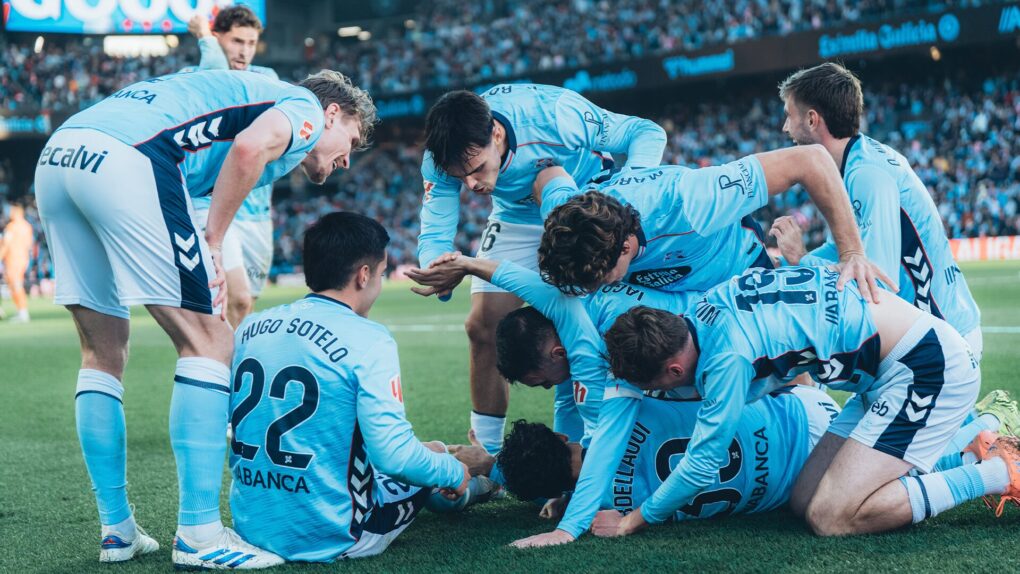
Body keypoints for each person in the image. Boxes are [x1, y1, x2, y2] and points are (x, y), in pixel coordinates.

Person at [34, 68, 374, 567]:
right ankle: (199, 535)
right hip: (132, 158)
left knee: (102, 351)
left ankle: (117, 531)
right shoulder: (301, 104)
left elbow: (198, 179)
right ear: (332, 113)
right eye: (353, 139)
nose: (348, 156)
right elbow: (248, 150)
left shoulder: (246, 97)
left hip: (61, 153)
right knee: (211, 344)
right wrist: (213, 243)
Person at [595, 266, 1015, 538]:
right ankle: (970, 444)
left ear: (672, 371)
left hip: (925, 369)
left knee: (831, 516)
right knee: (804, 498)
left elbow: (704, 462)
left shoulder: (725, 360)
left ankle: (1000, 472)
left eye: (659, 388)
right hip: (886, 372)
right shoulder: (706, 307)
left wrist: (634, 519)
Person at [414, 85, 667, 454]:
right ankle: (488, 454)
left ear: (496, 135)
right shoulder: (442, 154)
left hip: (583, 203)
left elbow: (645, 132)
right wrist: (436, 268)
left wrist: (628, 199)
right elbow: (435, 231)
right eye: (460, 177)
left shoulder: (555, 115)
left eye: (476, 170)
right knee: (481, 325)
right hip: (517, 217)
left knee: (593, 318)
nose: (471, 185)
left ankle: (597, 443)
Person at [228, 212, 473, 562]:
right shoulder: (369, 339)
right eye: (382, 273)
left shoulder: (251, 327)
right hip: (335, 535)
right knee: (436, 466)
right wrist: (451, 470)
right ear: (364, 275)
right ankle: (476, 485)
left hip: (251, 526)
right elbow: (394, 456)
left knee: (426, 450)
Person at [768, 62, 982, 358]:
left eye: (789, 116)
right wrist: (788, 265)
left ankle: (986, 408)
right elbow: (841, 250)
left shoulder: (868, 175)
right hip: (923, 336)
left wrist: (803, 260)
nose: (785, 127)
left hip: (942, 344)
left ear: (813, 120)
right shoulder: (854, 163)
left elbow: (876, 284)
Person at [533, 145, 891, 300]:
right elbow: (548, 173)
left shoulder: (692, 200)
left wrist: (852, 252)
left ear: (626, 247)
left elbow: (810, 159)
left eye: (598, 279)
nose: (594, 288)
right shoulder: (568, 216)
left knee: (784, 378)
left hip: (739, 274)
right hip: (677, 292)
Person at [496, 386, 840, 524]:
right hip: (806, 413)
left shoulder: (600, 514)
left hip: (805, 485)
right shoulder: (617, 409)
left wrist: (568, 501)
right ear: (559, 435)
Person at [183, 5, 281, 327]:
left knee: (243, 308)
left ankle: (229, 374)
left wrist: (206, 40)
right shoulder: (191, 79)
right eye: (237, 41)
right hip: (210, 206)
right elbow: (216, 83)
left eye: (251, 43)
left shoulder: (266, 79)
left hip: (256, 213)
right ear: (217, 38)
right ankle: (211, 367)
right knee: (233, 298)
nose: (244, 51)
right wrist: (204, 39)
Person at [0, 201, 34, 323]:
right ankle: (21, 311)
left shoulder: (12, 227)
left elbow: (5, 244)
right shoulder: (27, 226)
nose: (10, 213)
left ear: (18, 211)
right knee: (15, 285)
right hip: (23, 259)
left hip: (13, 260)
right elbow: (29, 244)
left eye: (11, 210)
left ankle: (23, 313)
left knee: (15, 285)